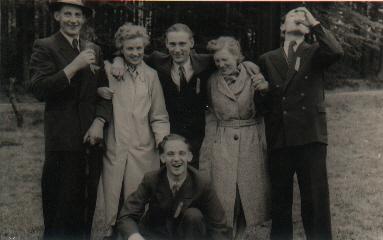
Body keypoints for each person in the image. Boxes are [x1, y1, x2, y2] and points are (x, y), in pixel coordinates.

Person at [258, 7, 344, 240]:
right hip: (280, 137)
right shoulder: (267, 58)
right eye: (292, 15)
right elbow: (262, 104)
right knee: (280, 203)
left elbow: (336, 50)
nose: (299, 16)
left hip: (310, 137)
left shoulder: (316, 52)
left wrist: (315, 22)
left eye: (303, 17)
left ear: (307, 30)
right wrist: (263, 92)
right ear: (282, 27)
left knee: (315, 202)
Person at [28, 0, 112, 239]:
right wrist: (73, 66)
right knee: (59, 208)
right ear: (57, 16)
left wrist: (99, 122)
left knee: (85, 205)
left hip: (92, 138)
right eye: (68, 14)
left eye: (78, 14)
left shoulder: (93, 49)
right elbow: (38, 89)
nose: (73, 19)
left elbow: (104, 92)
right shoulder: (45, 46)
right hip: (62, 141)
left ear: (84, 19)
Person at [108, 23, 215, 169]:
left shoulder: (206, 62)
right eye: (172, 44)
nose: (177, 50)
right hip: (166, 136)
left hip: (197, 137)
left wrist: (249, 66)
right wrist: (118, 61)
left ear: (192, 42)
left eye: (182, 44)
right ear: (166, 44)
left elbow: (231, 58)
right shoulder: (157, 61)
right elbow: (129, 52)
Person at [99, 23, 170, 239]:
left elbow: (159, 115)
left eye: (139, 48)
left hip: (143, 148)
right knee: (112, 199)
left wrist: (163, 142)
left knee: (137, 201)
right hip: (115, 145)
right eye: (130, 49)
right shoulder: (110, 70)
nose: (135, 53)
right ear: (121, 48)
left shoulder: (151, 76)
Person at [198, 36, 270, 239]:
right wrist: (208, 151)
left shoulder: (253, 72)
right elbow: (210, 117)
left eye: (226, 60)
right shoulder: (211, 81)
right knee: (225, 197)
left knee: (246, 195)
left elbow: (266, 106)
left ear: (237, 57)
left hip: (251, 141)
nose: (221, 65)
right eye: (218, 61)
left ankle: (242, 235)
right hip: (223, 143)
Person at [116, 134, 229, 240]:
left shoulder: (202, 182)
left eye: (181, 153)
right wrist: (135, 237)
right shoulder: (151, 179)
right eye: (170, 154)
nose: (176, 159)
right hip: (156, 236)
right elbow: (127, 215)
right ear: (162, 158)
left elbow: (219, 226)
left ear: (189, 157)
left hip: (187, 236)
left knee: (194, 215)